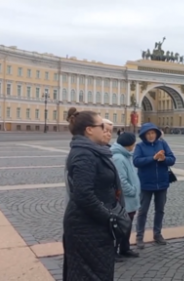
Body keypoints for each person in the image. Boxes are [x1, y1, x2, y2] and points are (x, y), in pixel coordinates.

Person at [63, 107, 124, 280]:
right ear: (89, 130)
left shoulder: (92, 151)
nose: (106, 130)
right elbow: (83, 195)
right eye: (102, 127)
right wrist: (109, 218)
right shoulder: (84, 154)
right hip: (86, 227)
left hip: (93, 225)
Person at [133, 122, 176, 249]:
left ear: (156, 134)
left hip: (162, 183)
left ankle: (157, 234)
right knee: (143, 211)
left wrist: (164, 159)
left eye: (153, 133)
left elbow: (172, 159)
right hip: (146, 184)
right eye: (148, 133)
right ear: (144, 135)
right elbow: (136, 161)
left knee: (160, 210)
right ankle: (139, 236)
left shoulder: (162, 143)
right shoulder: (140, 146)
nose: (151, 135)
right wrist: (153, 158)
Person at [111, 132, 141, 261]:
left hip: (130, 199)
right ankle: (114, 251)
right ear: (129, 144)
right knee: (121, 226)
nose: (135, 145)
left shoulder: (125, 155)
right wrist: (132, 191)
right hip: (126, 199)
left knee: (127, 225)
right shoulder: (119, 158)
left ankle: (125, 248)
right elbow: (122, 180)